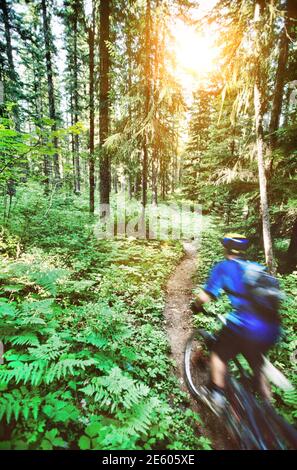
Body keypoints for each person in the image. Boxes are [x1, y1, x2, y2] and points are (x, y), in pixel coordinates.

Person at [191, 233, 281, 413]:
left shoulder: (224, 267)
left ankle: (216, 396)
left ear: (226, 249)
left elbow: (206, 295)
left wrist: (196, 306)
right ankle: (270, 413)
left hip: (245, 326)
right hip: (272, 329)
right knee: (258, 364)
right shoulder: (256, 267)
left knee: (218, 354)